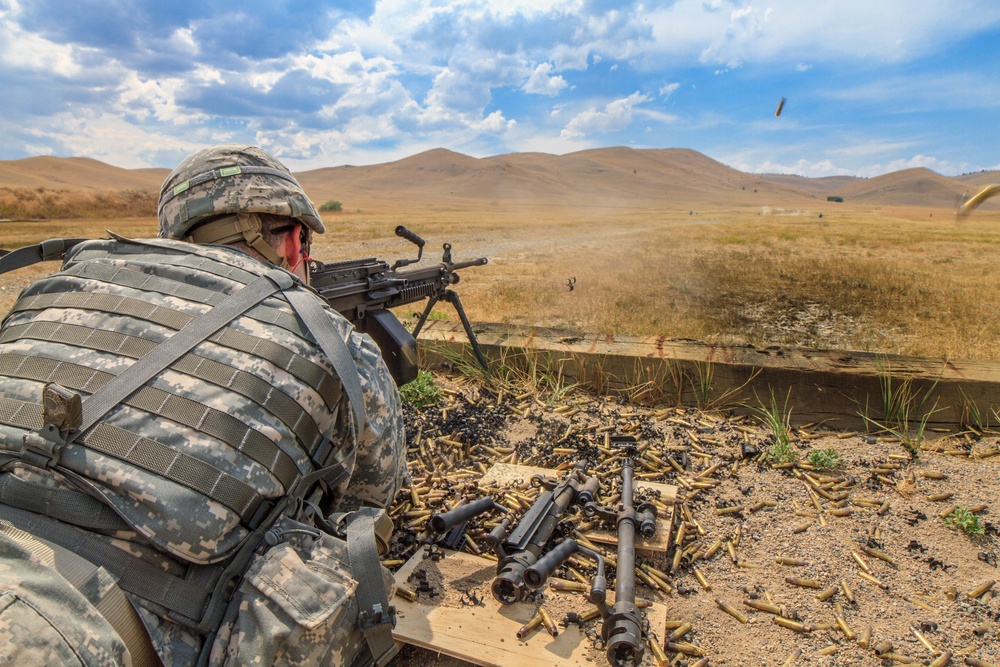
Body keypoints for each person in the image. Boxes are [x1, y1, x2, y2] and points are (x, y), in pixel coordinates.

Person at [0, 145, 406, 666]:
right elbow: (368, 499)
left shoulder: (52, 288)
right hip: (94, 634)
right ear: (291, 239)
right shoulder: (331, 338)